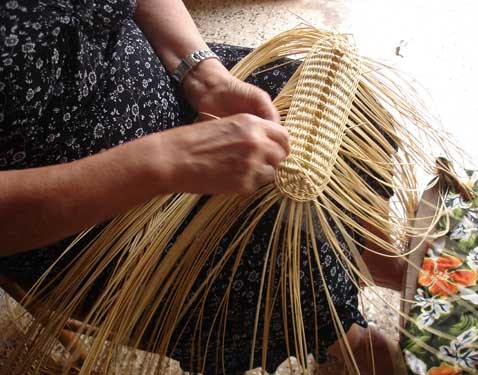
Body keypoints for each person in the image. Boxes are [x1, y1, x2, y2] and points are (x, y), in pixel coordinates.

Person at [0, 0, 403, 373]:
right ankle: (345, 336)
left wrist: (201, 73)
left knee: (350, 121)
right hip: (75, 208)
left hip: (157, 73)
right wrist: (161, 163)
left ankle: (381, 257)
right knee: (276, 269)